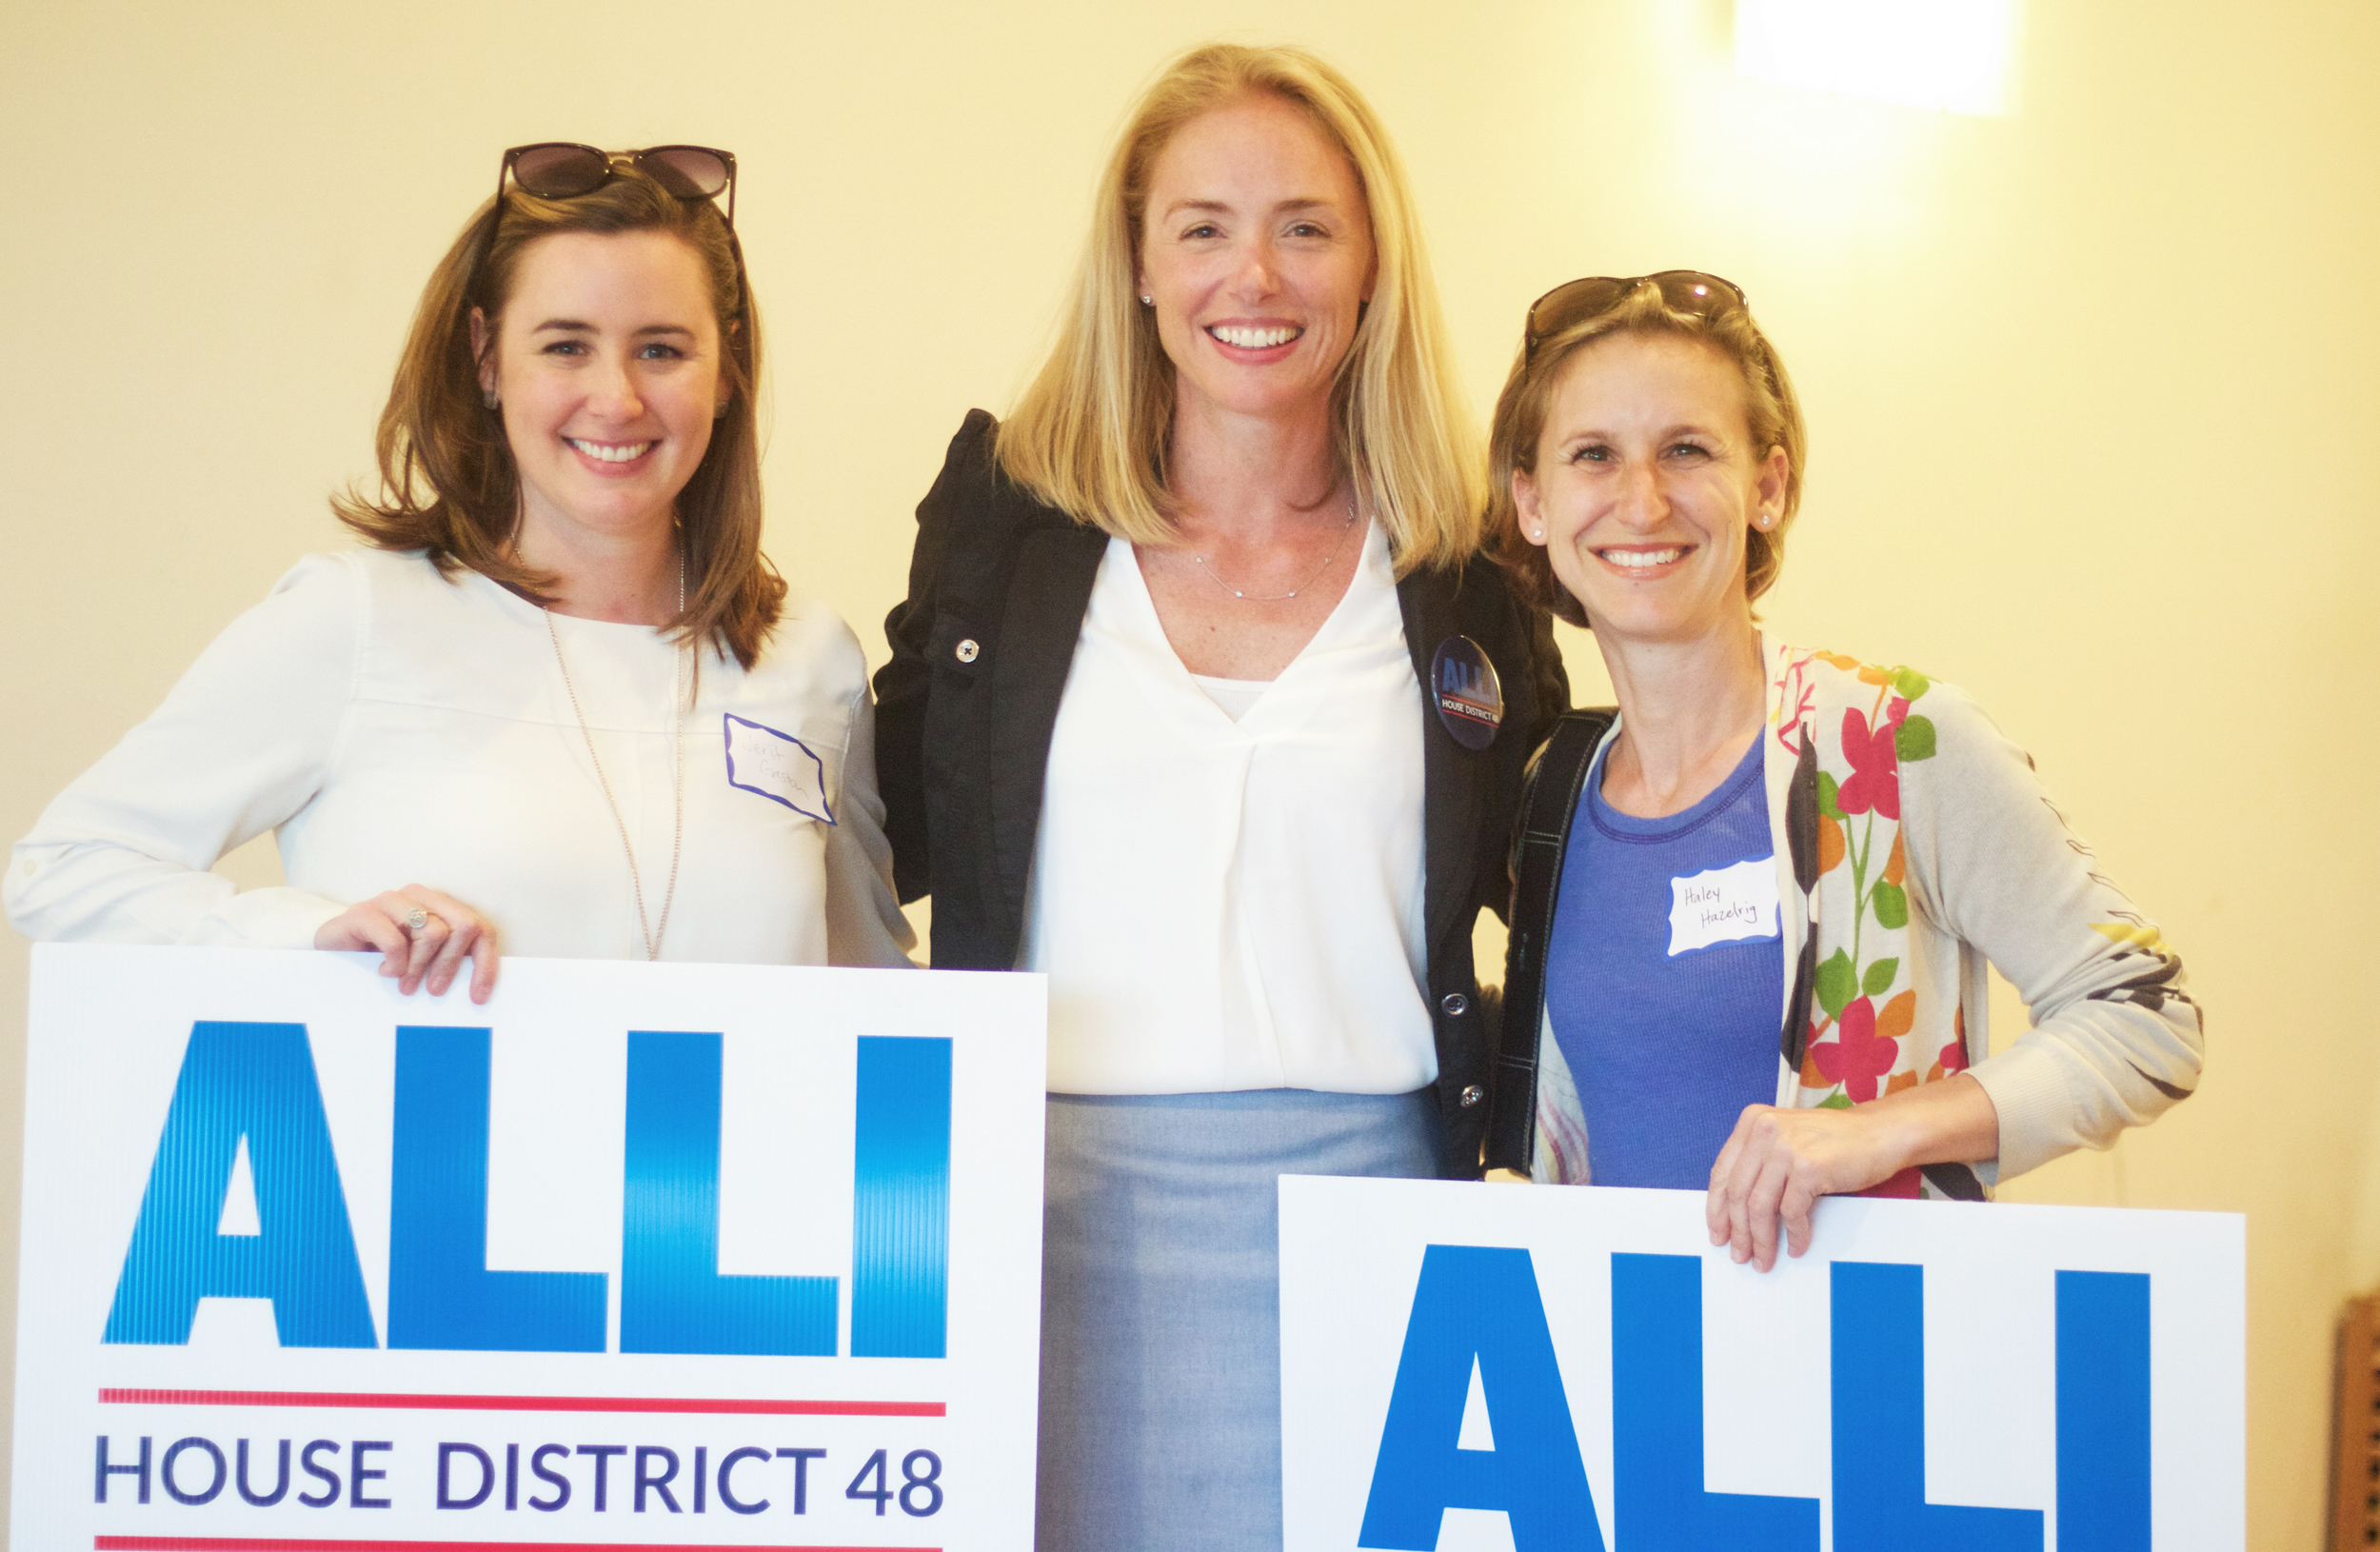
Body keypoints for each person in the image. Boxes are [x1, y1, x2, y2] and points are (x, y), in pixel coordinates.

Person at [872, 44, 1566, 1552]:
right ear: (1135, 258)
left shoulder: (1462, 562)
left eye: (1306, 226)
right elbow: (868, 833)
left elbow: (1571, 889)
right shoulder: (1007, 523)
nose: (1255, 272)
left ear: (1372, 260)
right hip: (1042, 1240)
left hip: (1390, 1243)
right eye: (1202, 226)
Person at [8, 144, 911, 989]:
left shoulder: (809, 659)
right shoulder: (355, 618)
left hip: (710, 1162)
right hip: (432, 1158)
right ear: (486, 358)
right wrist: (306, 939)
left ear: (726, 369)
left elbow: (866, 981)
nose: (616, 397)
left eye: (662, 350)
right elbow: (65, 872)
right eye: (565, 345)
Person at [1479, 271, 2204, 1267]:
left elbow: (2146, 1019)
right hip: (1634, 1385)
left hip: (1852, 1389)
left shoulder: (1895, 744)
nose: (1640, 500)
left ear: (1767, 486)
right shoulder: (1549, 796)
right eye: (1592, 455)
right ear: (1532, 503)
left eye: (1686, 449)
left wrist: (1877, 1131)